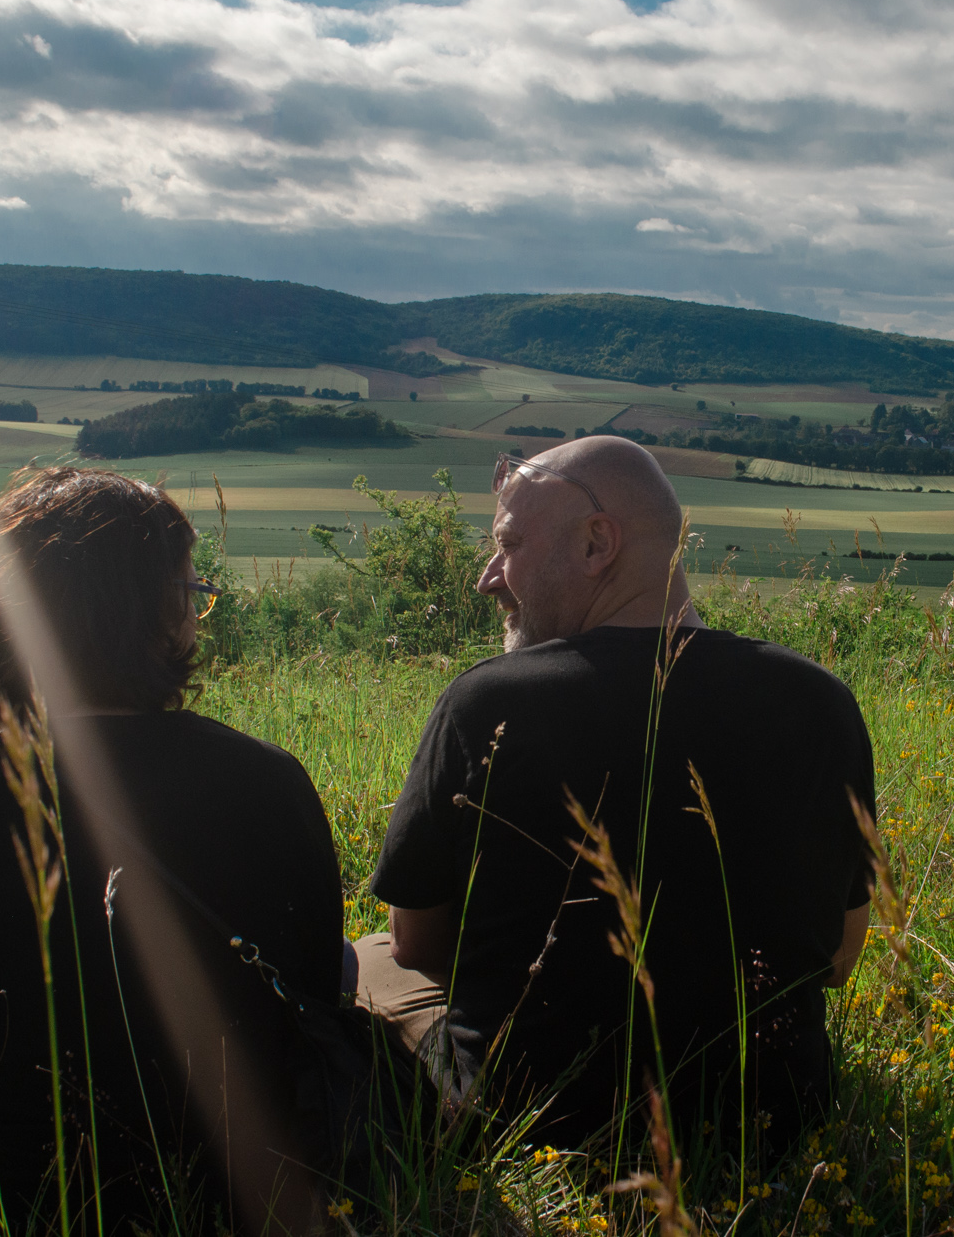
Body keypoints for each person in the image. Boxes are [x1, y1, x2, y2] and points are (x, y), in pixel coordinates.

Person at [0, 468, 346, 1234]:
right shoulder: (273, 782)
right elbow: (314, 999)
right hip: (232, 1198)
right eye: (192, 594)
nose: (197, 616)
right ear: (163, 616)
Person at [359, 437, 875, 1149]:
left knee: (365, 959)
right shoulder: (821, 703)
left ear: (597, 543)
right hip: (770, 1124)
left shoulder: (487, 703)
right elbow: (840, 958)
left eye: (508, 545)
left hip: (527, 1120)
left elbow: (416, 942)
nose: (488, 579)